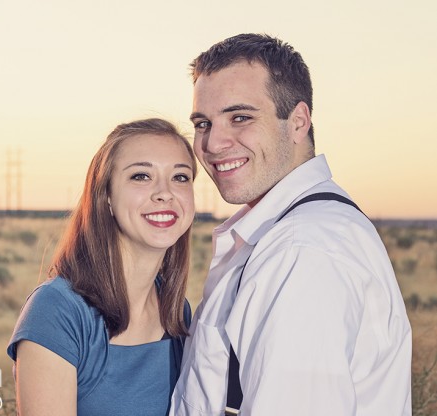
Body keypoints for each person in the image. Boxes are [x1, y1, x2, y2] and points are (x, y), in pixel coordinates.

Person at [170, 34, 412, 416]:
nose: (213, 143)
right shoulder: (290, 231)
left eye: (240, 117)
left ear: (298, 122)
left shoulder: (304, 251)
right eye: (203, 123)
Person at [7, 118, 198, 416]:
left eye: (181, 177)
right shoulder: (57, 311)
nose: (165, 193)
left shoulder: (176, 311)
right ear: (106, 197)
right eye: (141, 176)